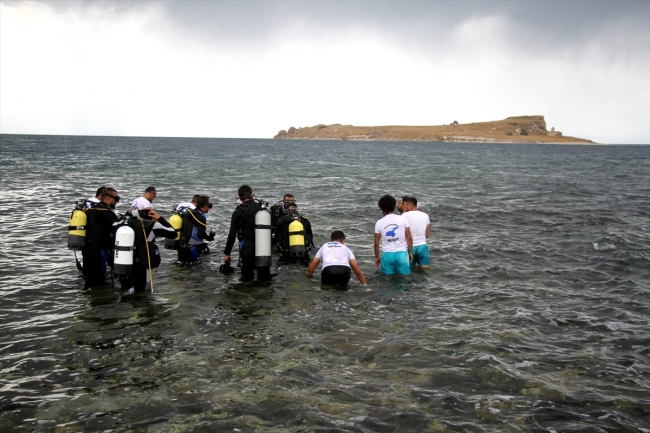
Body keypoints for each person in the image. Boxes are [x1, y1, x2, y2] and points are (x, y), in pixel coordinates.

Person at [114, 208, 177, 292]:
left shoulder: (121, 223)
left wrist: (129, 213)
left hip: (122, 262)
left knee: (124, 290)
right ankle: (142, 304)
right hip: (141, 264)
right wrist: (160, 218)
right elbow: (173, 233)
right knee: (141, 291)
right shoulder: (152, 225)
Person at [223, 185, 271, 282]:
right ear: (252, 195)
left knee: (247, 279)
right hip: (263, 247)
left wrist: (227, 253)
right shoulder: (261, 209)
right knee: (265, 279)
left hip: (247, 247)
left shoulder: (238, 211)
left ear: (239, 197)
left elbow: (232, 234)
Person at [82, 187, 120, 286]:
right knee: (99, 280)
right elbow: (118, 229)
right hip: (99, 252)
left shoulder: (90, 210)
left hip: (86, 249)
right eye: (116, 199)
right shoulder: (107, 213)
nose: (116, 202)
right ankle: (99, 299)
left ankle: (89, 297)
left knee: (88, 278)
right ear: (109, 198)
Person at [374, 194, 413, 275]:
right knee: (405, 278)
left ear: (381, 208)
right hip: (401, 254)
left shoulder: (379, 222)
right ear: (394, 206)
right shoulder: (403, 219)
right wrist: (410, 252)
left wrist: (377, 257)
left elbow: (376, 243)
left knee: (387, 281)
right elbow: (409, 238)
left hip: (387, 255)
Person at [178, 195, 215, 262]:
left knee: (183, 266)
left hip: (181, 246)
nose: (210, 207)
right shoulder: (200, 216)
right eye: (210, 205)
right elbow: (200, 233)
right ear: (205, 206)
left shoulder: (189, 212)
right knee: (193, 268)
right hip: (191, 248)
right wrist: (209, 237)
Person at [401, 196, 430, 269]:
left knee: (409, 271)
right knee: (425, 269)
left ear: (409, 206)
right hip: (422, 246)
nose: (404, 208)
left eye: (405, 206)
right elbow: (427, 235)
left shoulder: (403, 216)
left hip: (410, 247)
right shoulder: (425, 215)